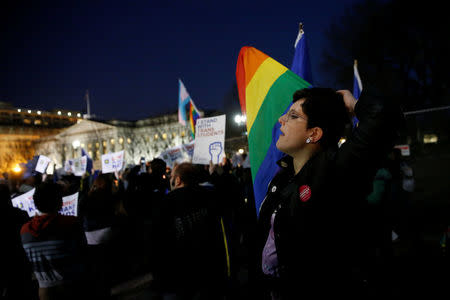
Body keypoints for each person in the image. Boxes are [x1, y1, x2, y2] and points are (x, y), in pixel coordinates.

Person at [256, 87, 402, 299]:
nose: (280, 119)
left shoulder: (336, 172)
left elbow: (386, 117)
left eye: (293, 116)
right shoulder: (282, 177)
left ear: (314, 134)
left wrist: (354, 105)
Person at [152, 162, 229, 300]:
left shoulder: (165, 204)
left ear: (178, 180)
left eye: (172, 176)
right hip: (208, 270)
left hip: (179, 275)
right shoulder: (209, 195)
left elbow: (158, 244)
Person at [20, 182, 88, 300]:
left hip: (44, 291)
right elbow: (84, 252)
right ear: (59, 202)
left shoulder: (25, 230)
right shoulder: (71, 223)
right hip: (71, 286)